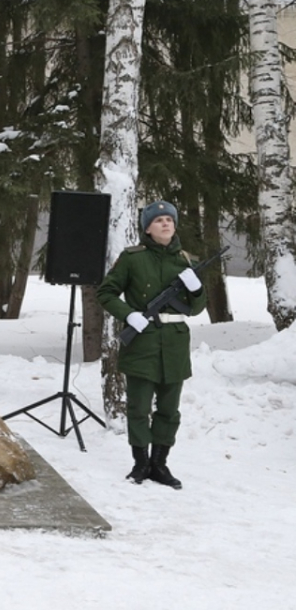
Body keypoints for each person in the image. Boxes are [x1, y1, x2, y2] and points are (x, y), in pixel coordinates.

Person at [96, 200, 206, 490]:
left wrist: (196, 288)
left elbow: (196, 309)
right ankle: (140, 463)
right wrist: (129, 315)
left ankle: (160, 463)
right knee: (139, 407)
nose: (165, 223)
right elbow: (106, 292)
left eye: (169, 219)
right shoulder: (133, 258)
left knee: (169, 410)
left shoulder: (185, 260)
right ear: (147, 227)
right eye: (158, 220)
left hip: (175, 343)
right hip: (142, 341)